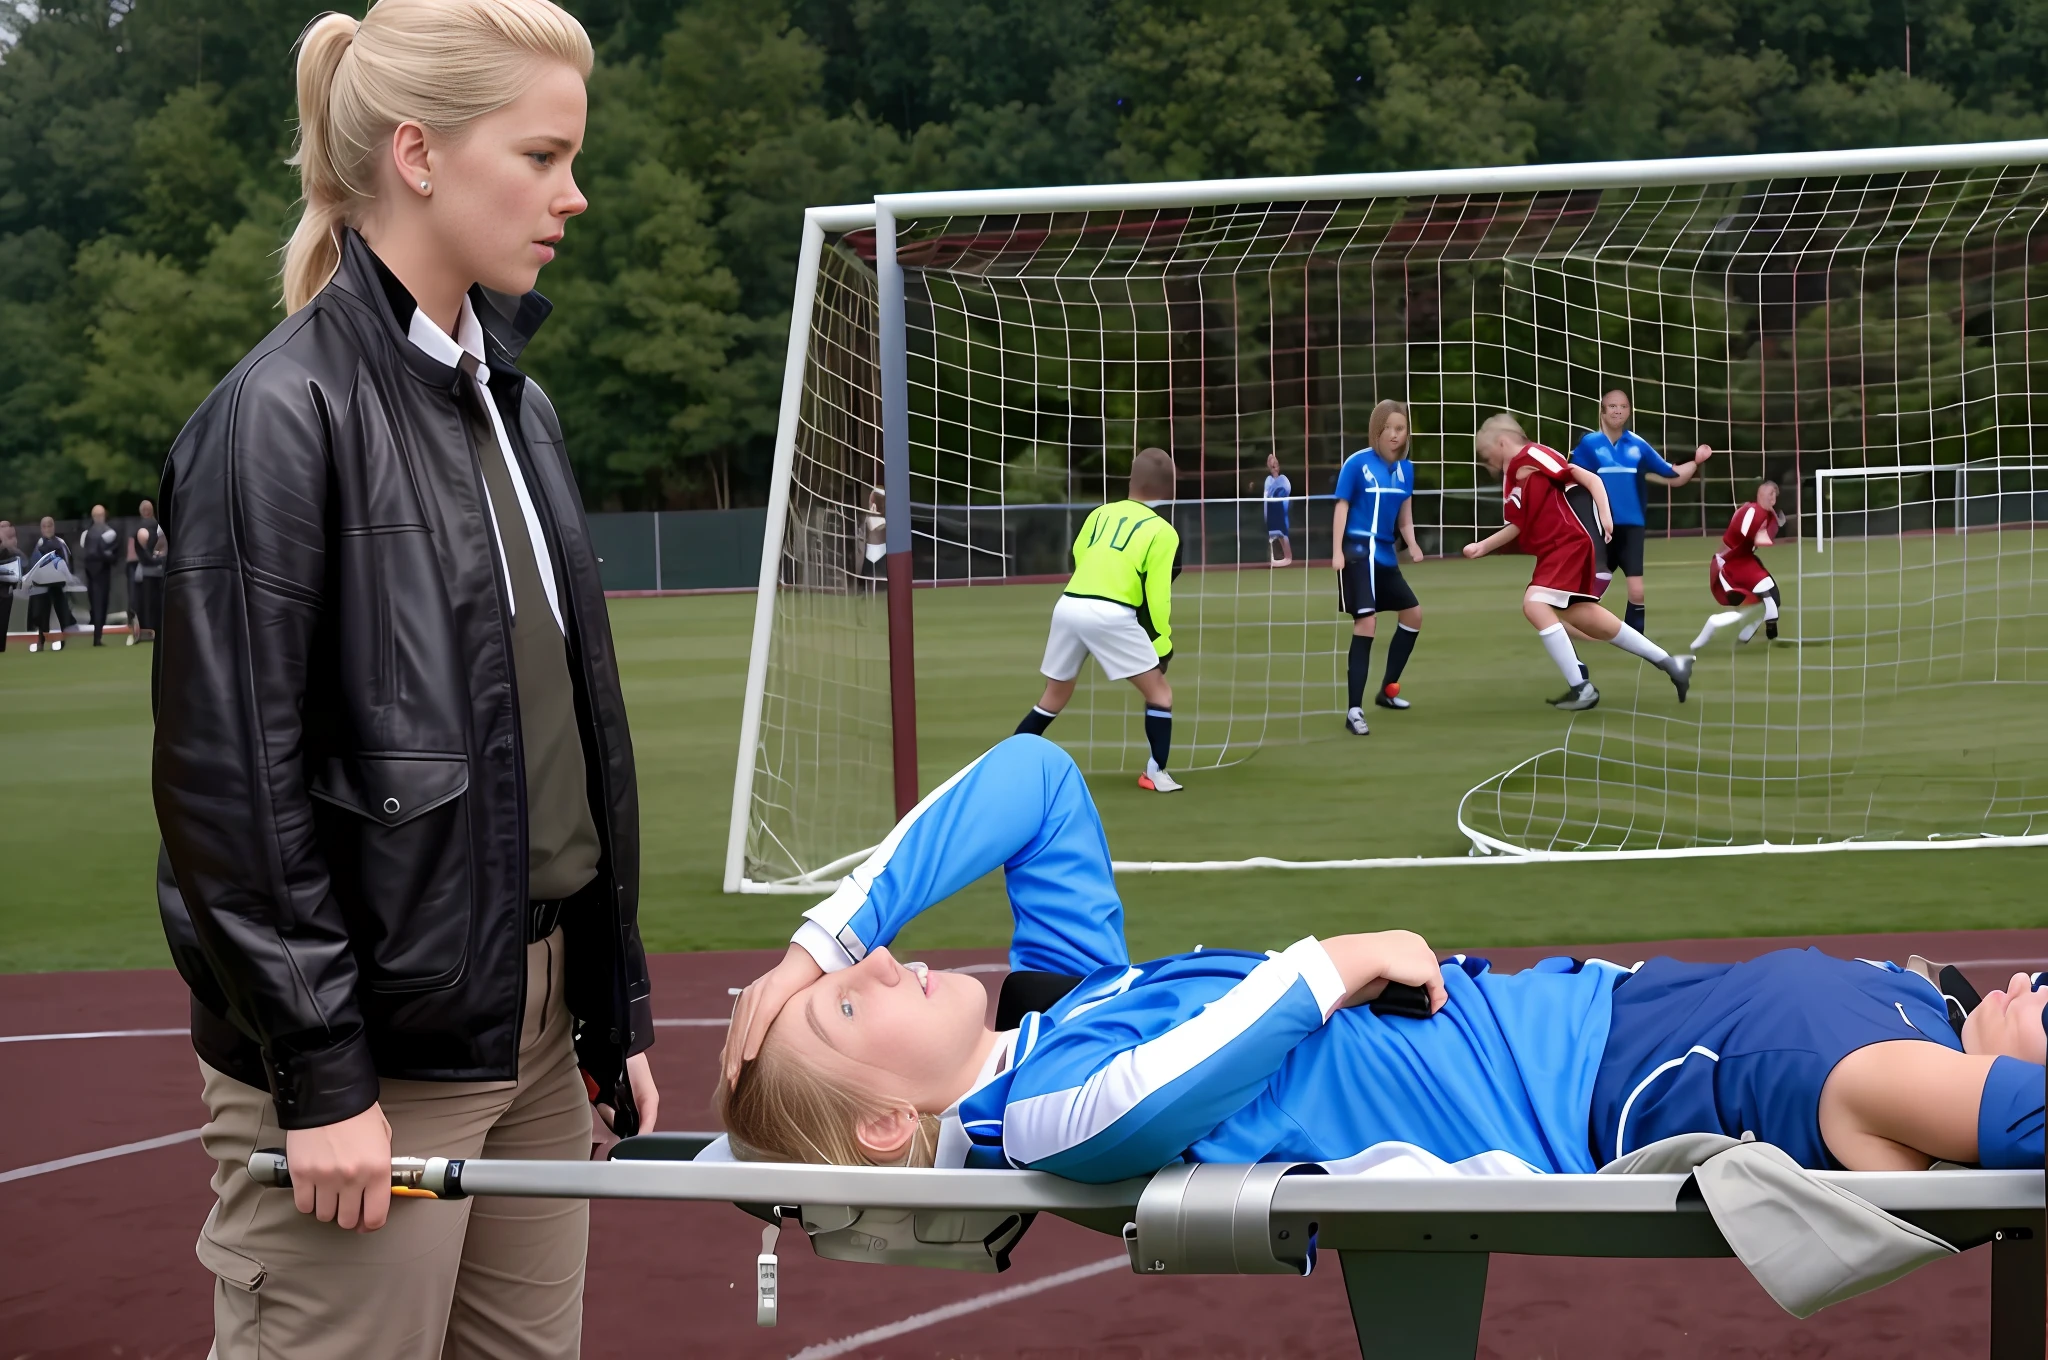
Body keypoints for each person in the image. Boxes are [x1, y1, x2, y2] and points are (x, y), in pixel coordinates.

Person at [151, 4, 658, 1357]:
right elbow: (228, 798)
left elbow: (562, 744)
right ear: (420, 154)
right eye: (543, 156)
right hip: (372, 1053)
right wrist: (320, 1076)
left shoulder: (518, 402)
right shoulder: (276, 419)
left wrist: (609, 1007)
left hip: (535, 1031)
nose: (574, 194)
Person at [717, 735, 2047, 1183]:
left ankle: (1977, 1053)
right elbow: (1147, 1098)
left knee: (1941, 1036)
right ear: (896, 1123)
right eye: (852, 1002)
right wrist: (1331, 959)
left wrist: (811, 948)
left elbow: (1037, 778)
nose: (888, 960)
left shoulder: (1061, 1012)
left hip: (1628, 1019)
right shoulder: (1041, 1114)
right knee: (1927, 1081)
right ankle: (1985, 1070)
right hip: (1624, 1081)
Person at [1463, 414, 1693, 711]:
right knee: (1583, 615)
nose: (1487, 462)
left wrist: (1606, 518)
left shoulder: (1531, 454)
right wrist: (1482, 547)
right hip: (1555, 550)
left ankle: (1581, 687)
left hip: (1569, 543)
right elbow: (1517, 526)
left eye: (1486, 454)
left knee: (1534, 604)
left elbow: (1588, 478)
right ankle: (1672, 664)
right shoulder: (1513, 480)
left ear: (1502, 442)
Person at [1013, 446, 1183, 793]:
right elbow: (1158, 595)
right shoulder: (1163, 532)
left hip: (1069, 605)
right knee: (1160, 694)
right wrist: (1161, 644)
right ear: (1169, 488)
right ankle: (1155, 772)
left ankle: (1009, 763)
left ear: (1131, 481)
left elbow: (1078, 554)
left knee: (1054, 696)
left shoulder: (1100, 514)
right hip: (1109, 613)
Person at [1569, 390, 1713, 636]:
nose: (1617, 411)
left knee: (1636, 591)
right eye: (1612, 406)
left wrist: (1697, 461)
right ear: (1602, 411)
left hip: (1632, 527)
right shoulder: (1589, 444)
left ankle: (1634, 641)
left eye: (1623, 406)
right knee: (1591, 586)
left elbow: (1674, 476)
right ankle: (1571, 627)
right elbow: (1570, 476)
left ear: (1629, 412)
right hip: (1598, 526)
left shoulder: (1638, 445)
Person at [1331, 400, 1426, 734]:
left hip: (1385, 555)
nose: (1395, 435)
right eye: (1389, 429)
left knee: (1413, 614)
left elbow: (1405, 514)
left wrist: (1412, 544)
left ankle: (1388, 690)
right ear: (1377, 431)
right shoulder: (1357, 463)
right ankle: (1354, 711)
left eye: (1401, 429)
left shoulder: (1406, 469)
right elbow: (1341, 506)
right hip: (1358, 553)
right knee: (1366, 624)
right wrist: (1336, 551)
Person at [1692, 480, 1786, 650]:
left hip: (1743, 560)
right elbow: (1751, 536)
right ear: (1765, 495)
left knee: (1769, 598)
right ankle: (1762, 625)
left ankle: (1749, 633)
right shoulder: (1751, 511)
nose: (1772, 499)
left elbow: (1758, 537)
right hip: (1731, 563)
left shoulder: (1759, 512)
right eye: (1771, 494)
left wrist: (1773, 523)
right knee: (1767, 596)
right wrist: (1772, 527)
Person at [23, 515, 79, 653]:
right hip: (41, 588)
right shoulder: (37, 545)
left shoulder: (61, 543)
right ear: (41, 528)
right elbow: (32, 565)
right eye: (45, 526)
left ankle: (64, 642)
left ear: (54, 527)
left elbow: (67, 561)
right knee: (41, 615)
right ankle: (41, 642)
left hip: (59, 586)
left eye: (50, 525)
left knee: (62, 613)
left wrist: (67, 578)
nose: (48, 528)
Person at [77, 504, 121, 645]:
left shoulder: (86, 533)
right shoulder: (109, 533)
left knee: (96, 604)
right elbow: (113, 555)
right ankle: (97, 637)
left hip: (90, 572)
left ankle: (97, 635)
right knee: (101, 603)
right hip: (101, 572)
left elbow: (85, 552)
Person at [127, 499, 164, 645]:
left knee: (149, 602)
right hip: (150, 569)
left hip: (148, 570)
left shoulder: (146, 527)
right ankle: (152, 631)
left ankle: (150, 630)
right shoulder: (153, 527)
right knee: (150, 602)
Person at [1261, 452, 1293, 566]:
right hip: (1272, 509)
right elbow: (1266, 495)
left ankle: (1288, 556)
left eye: (1275, 465)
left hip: (1280, 507)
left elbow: (1286, 490)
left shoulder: (1283, 479)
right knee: (1274, 533)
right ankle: (1274, 556)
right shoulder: (1268, 480)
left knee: (1283, 532)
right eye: (1272, 465)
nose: (1274, 467)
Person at [0, 520, 19, 653]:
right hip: (5, 592)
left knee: (3, 623)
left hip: (5, 592)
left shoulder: (11, 553)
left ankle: (1, 648)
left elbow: (16, 572)